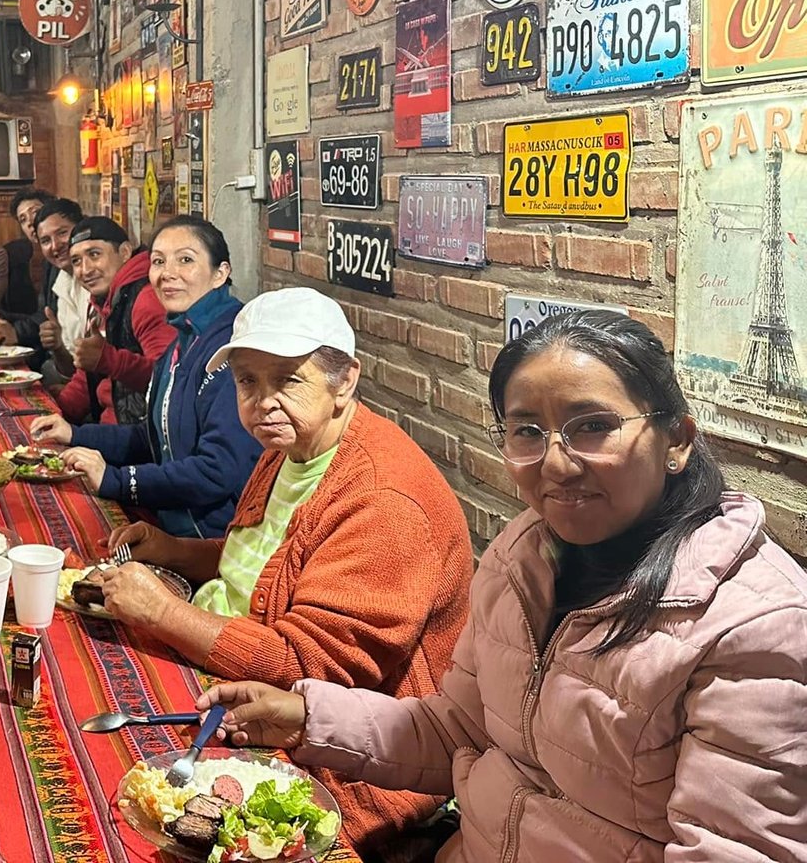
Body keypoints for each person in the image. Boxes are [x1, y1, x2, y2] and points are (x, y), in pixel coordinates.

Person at [199, 310, 807, 861]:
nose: (557, 464)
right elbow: (459, 729)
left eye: (593, 426)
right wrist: (307, 719)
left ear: (676, 440)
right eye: (527, 432)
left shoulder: (755, 628)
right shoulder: (524, 557)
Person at [95, 289, 473, 858]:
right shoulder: (290, 445)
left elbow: (309, 670)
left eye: (288, 380)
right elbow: (267, 559)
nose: (262, 402)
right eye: (247, 382)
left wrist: (163, 611)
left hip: (345, 765)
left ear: (345, 381)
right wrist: (174, 550)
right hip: (235, 677)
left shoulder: (384, 500)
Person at [38, 214, 260, 538]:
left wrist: (118, 480)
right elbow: (154, 438)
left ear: (220, 273)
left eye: (185, 260)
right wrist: (74, 434)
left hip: (214, 542)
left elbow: (217, 472)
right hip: (174, 521)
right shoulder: (181, 342)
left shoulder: (230, 350)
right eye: (158, 261)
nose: (168, 273)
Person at [40, 215, 174, 426]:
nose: (85, 269)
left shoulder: (146, 299)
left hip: (139, 435)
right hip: (108, 427)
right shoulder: (103, 301)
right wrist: (51, 411)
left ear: (125, 252)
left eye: (94, 254)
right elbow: (85, 382)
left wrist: (110, 360)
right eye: (76, 261)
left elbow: (169, 380)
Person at [0, 198, 87, 377]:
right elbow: (45, 316)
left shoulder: (93, 277)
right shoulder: (56, 269)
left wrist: (16, 331)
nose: (55, 245)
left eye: (62, 233)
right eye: (46, 240)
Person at [2, 187, 53, 317]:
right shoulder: (17, 257)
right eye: (23, 219)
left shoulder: (63, 256)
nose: (30, 222)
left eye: (35, 212)